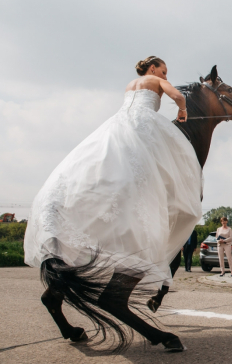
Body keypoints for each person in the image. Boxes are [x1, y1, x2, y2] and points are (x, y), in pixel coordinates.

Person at [24, 56, 202, 290]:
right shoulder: (155, 81)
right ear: (152, 68)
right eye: (164, 71)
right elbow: (178, 96)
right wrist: (182, 111)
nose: (165, 76)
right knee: (173, 159)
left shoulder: (130, 84)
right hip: (144, 125)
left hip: (119, 123)